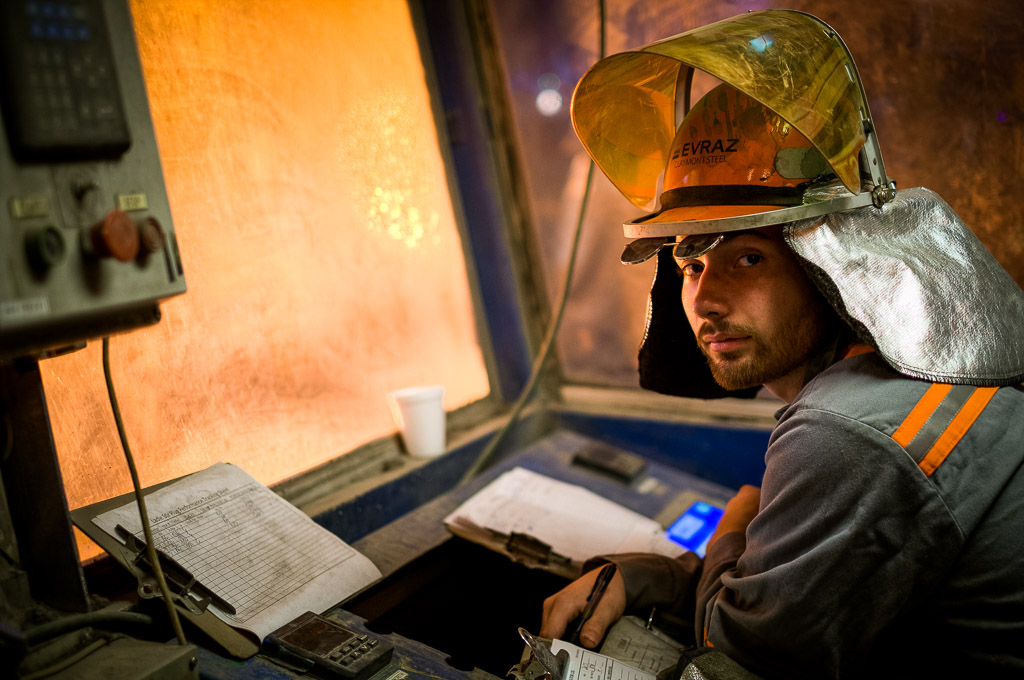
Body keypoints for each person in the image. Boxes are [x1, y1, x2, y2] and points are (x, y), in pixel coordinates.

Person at [539, 10, 1024, 679]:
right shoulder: (898, 375)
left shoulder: (845, 431)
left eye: (748, 260)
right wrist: (654, 574)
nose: (705, 300)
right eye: (691, 265)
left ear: (828, 262)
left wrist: (736, 520)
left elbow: (738, 653)